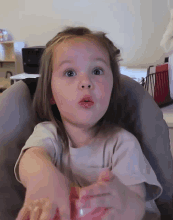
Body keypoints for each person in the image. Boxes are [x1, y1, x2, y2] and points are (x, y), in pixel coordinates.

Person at [14, 26, 163, 220]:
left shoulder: (121, 143)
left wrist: (124, 203)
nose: (86, 82)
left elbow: (138, 205)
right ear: (50, 94)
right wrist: (43, 177)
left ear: (112, 88)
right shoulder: (48, 134)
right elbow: (32, 156)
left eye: (97, 71)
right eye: (69, 73)